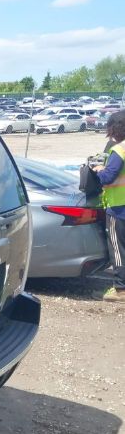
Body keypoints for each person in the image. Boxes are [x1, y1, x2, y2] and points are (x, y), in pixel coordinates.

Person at [94, 110, 125, 302]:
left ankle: (121, 290)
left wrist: (98, 170)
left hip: (119, 207)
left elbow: (108, 177)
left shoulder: (119, 150)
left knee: (118, 249)